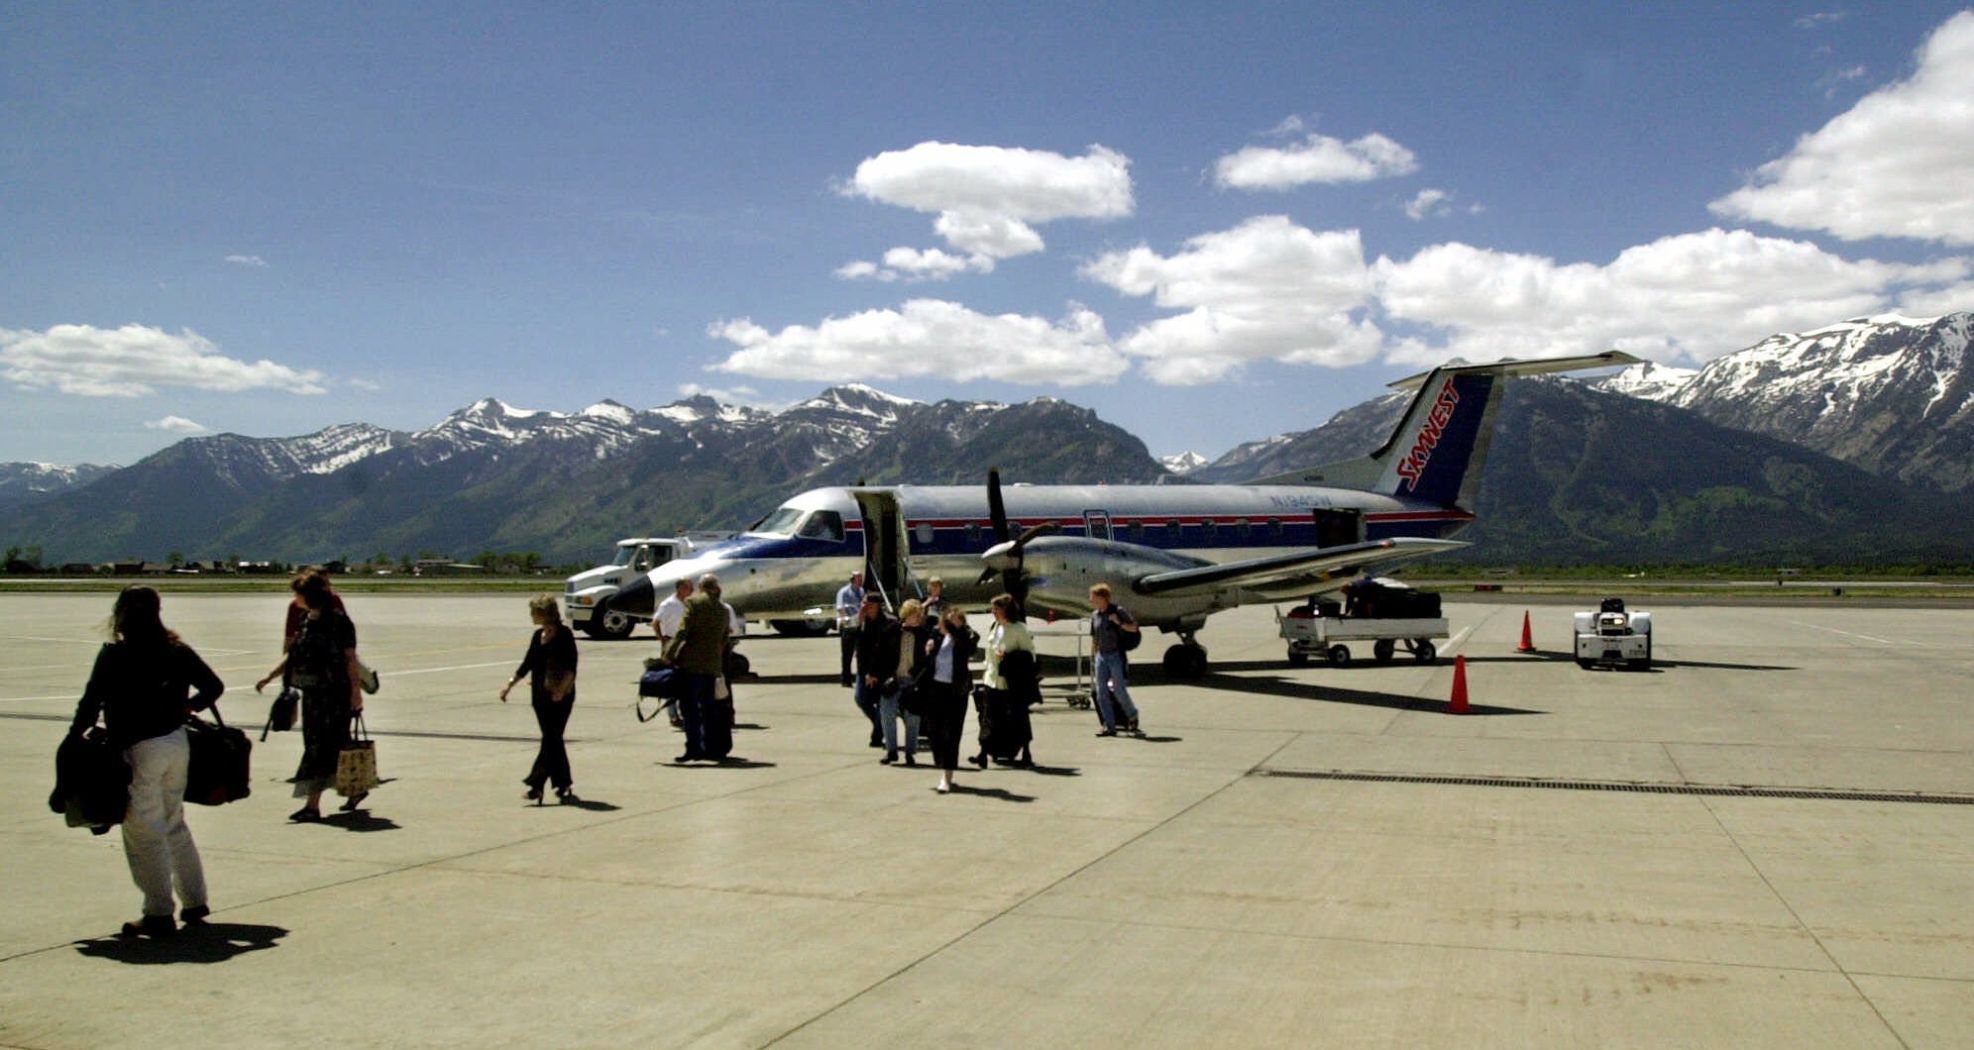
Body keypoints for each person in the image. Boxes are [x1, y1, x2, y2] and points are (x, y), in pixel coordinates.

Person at [69, 586, 221, 938]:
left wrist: (73, 738)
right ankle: (195, 901)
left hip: (139, 749)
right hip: (175, 743)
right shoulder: (176, 650)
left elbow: (90, 703)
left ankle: (158, 912)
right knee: (173, 822)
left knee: (142, 831)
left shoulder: (114, 656)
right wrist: (188, 707)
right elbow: (214, 685)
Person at [256, 572, 365, 820]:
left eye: (298, 593)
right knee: (323, 744)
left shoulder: (339, 622)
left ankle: (313, 805)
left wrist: (356, 694)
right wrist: (271, 675)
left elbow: (350, 660)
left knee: (323, 746)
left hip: (335, 694)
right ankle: (354, 789)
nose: (295, 598)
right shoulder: (306, 620)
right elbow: (294, 655)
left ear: (309, 596)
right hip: (313, 695)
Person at [499, 595, 579, 804]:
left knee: (551, 739)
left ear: (544, 613)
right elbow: (527, 664)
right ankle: (563, 783)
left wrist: (561, 690)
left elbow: (571, 667)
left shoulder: (564, 635)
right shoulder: (537, 636)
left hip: (561, 696)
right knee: (553, 740)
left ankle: (536, 785)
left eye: (534, 612)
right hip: (540, 696)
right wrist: (509, 684)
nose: (531, 616)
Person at [663, 573, 729, 763]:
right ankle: (711, 748)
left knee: (690, 710)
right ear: (716, 588)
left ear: (700, 587)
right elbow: (724, 638)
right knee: (709, 709)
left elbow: (682, 632)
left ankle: (694, 748)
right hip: (712, 666)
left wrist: (668, 655)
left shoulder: (694, 603)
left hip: (691, 665)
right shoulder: (723, 609)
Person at [915, 605, 978, 793]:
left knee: (952, 734)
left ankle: (947, 776)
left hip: (956, 690)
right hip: (936, 688)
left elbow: (971, 647)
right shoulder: (937, 634)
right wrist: (929, 650)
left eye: (956, 619)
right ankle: (942, 761)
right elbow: (926, 660)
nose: (951, 622)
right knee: (934, 731)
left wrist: (959, 628)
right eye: (949, 619)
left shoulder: (965, 637)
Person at [972, 593, 1036, 768]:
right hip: (992, 679)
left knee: (1019, 716)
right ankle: (983, 753)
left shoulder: (1019, 629)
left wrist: (1008, 658)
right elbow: (989, 652)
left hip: (1012, 681)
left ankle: (1026, 753)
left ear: (1006, 610)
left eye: (997, 609)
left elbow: (1029, 655)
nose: (993, 612)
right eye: (993, 609)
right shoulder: (995, 626)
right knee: (988, 717)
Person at [877, 598, 929, 765]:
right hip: (893, 680)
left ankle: (909, 753)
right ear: (906, 615)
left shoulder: (923, 634)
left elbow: (927, 660)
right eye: (915, 615)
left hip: (912, 681)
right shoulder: (892, 630)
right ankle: (891, 751)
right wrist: (878, 674)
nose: (918, 618)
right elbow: (880, 652)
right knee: (887, 714)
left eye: (919, 615)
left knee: (913, 718)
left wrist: (919, 675)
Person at [1089, 583, 1141, 737]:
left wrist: (1118, 622)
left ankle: (1132, 715)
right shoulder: (1095, 615)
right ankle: (1109, 725)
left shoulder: (1118, 611)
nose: (1091, 600)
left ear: (1102, 598)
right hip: (1101, 656)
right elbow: (1094, 636)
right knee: (1101, 692)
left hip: (1115, 655)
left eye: (1093, 597)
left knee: (1118, 690)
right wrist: (1092, 655)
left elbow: (1134, 628)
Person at [851, 592, 889, 749]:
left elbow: (881, 650)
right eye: (863, 604)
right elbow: (853, 640)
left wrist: (873, 673)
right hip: (863, 669)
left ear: (877, 606)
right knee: (861, 699)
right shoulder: (863, 621)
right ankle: (879, 724)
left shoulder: (886, 623)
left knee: (881, 703)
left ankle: (878, 735)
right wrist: (859, 619)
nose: (865, 607)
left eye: (868, 605)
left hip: (881, 669)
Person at [653, 578, 692, 726]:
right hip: (671, 643)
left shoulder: (689, 603)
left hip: (686, 645)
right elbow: (656, 622)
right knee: (671, 680)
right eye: (689, 588)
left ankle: (686, 713)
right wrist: (663, 641)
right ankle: (673, 715)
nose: (692, 590)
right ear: (680, 588)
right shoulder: (668, 604)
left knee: (686, 680)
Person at [835, 571, 864, 687]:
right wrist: (845, 621)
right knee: (847, 654)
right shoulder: (844, 592)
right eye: (859, 578)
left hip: (858, 624)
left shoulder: (861, 591)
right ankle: (846, 678)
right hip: (848, 625)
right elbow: (840, 608)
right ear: (853, 579)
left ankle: (860, 677)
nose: (861, 580)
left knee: (861, 653)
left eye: (861, 578)